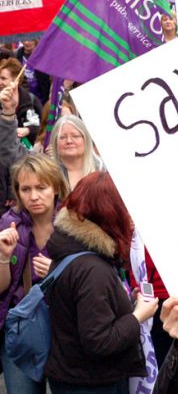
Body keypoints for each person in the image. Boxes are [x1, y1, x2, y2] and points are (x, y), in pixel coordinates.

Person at [45, 171, 158, 393]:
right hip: (91, 383)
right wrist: (138, 316)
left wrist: (123, 301)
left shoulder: (74, 250)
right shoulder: (92, 269)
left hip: (74, 376)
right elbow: (99, 341)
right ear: (111, 212)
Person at [0, 154, 69, 394]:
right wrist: (4, 256)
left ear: (56, 187)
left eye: (41, 187)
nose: (34, 196)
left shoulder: (73, 222)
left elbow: (90, 278)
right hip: (25, 329)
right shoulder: (9, 224)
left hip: (67, 328)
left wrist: (57, 271)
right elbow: (1, 288)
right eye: (26, 189)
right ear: (17, 193)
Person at [0, 76, 103, 189]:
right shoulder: (44, 167)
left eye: (75, 136)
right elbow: (10, 154)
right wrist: (8, 112)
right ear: (54, 141)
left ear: (86, 140)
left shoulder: (103, 171)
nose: (69, 141)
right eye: (62, 137)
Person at [0, 58, 42, 145]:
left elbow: (39, 125)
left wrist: (27, 130)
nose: (0, 81)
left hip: (23, 152)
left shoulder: (31, 100)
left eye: (3, 78)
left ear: (16, 80)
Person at [15, 39, 51, 104]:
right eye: (24, 39)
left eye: (30, 39)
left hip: (41, 99)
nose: (26, 42)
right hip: (23, 99)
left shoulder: (44, 55)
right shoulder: (17, 55)